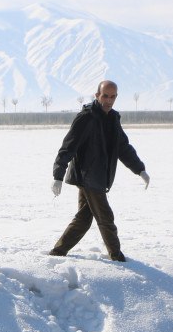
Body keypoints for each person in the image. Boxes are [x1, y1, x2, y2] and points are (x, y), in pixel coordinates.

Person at [48, 80, 150, 262]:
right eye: (105, 95)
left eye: (112, 96)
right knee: (106, 218)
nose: (108, 100)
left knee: (84, 219)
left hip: (100, 177)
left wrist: (139, 169)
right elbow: (67, 148)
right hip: (88, 177)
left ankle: (58, 252)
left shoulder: (113, 119)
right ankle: (117, 257)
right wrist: (58, 175)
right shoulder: (86, 117)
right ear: (97, 95)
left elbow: (123, 147)